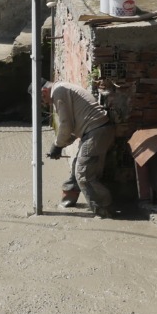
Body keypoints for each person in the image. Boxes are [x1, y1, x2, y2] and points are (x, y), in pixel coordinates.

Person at [40, 81, 115, 218]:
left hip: (96, 132)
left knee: (84, 174)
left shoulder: (59, 91)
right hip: (97, 130)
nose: (45, 104)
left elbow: (66, 125)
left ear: (44, 91)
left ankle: (104, 210)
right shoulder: (62, 88)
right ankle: (68, 200)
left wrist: (57, 145)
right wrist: (60, 146)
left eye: (42, 99)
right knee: (78, 167)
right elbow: (73, 129)